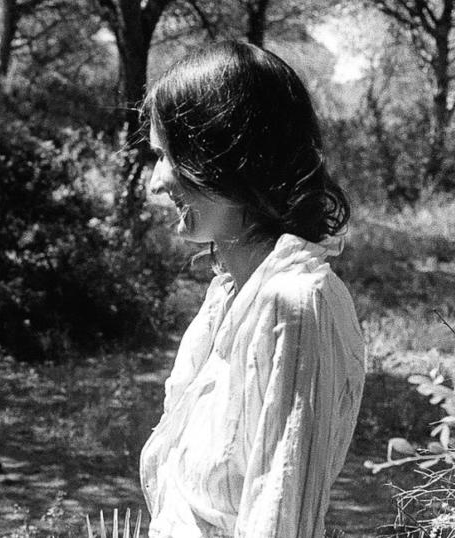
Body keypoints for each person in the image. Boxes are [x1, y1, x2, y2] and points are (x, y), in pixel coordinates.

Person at [138, 41, 366, 537]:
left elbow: (279, 516)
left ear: (223, 154)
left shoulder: (297, 304)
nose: (157, 182)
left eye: (166, 156)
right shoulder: (229, 293)